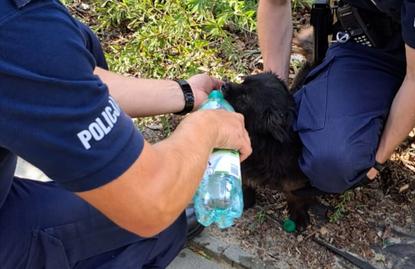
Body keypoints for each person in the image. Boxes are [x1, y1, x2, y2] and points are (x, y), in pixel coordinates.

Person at [0, 0, 252, 268]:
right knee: (162, 222)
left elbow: (54, 76)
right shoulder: (19, 28)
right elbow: (151, 203)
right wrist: (208, 128)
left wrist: (183, 94)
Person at [258, 0, 415, 268]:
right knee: (330, 162)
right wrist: (275, 92)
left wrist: (378, 159)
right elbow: (274, 4)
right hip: (372, 34)